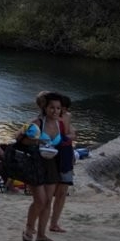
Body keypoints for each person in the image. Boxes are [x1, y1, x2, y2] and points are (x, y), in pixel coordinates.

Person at [18, 92, 64, 241]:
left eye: (58, 108)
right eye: (52, 107)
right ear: (45, 107)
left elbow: (66, 139)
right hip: (35, 163)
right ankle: (29, 229)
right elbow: (19, 138)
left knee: (48, 201)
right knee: (40, 200)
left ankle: (42, 235)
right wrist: (36, 140)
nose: (55, 111)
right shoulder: (37, 123)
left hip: (51, 164)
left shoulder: (60, 123)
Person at [49, 94, 75, 233]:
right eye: (57, 108)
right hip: (53, 155)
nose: (59, 111)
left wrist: (70, 132)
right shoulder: (48, 119)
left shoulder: (66, 116)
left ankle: (54, 223)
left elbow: (68, 132)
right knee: (50, 191)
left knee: (62, 191)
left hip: (65, 154)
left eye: (61, 108)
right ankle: (47, 222)